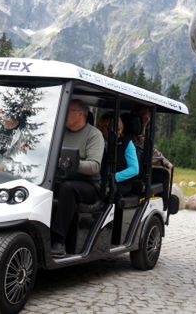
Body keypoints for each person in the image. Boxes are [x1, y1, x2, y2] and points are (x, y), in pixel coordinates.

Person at [50, 99, 105, 257]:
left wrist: (71, 164)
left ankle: (58, 241)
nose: (64, 113)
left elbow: (95, 166)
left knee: (67, 189)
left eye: (69, 110)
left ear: (81, 114)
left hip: (88, 184)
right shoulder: (60, 131)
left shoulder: (94, 135)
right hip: (59, 178)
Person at [96, 112, 139, 192]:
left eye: (104, 127)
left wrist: (114, 177)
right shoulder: (100, 141)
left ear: (114, 128)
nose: (101, 130)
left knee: (104, 190)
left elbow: (134, 169)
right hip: (100, 179)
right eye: (100, 126)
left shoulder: (126, 143)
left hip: (120, 183)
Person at [133, 105, 174, 170]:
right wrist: (166, 163)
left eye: (148, 117)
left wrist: (165, 162)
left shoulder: (138, 136)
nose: (148, 120)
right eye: (145, 118)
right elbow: (148, 151)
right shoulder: (134, 138)